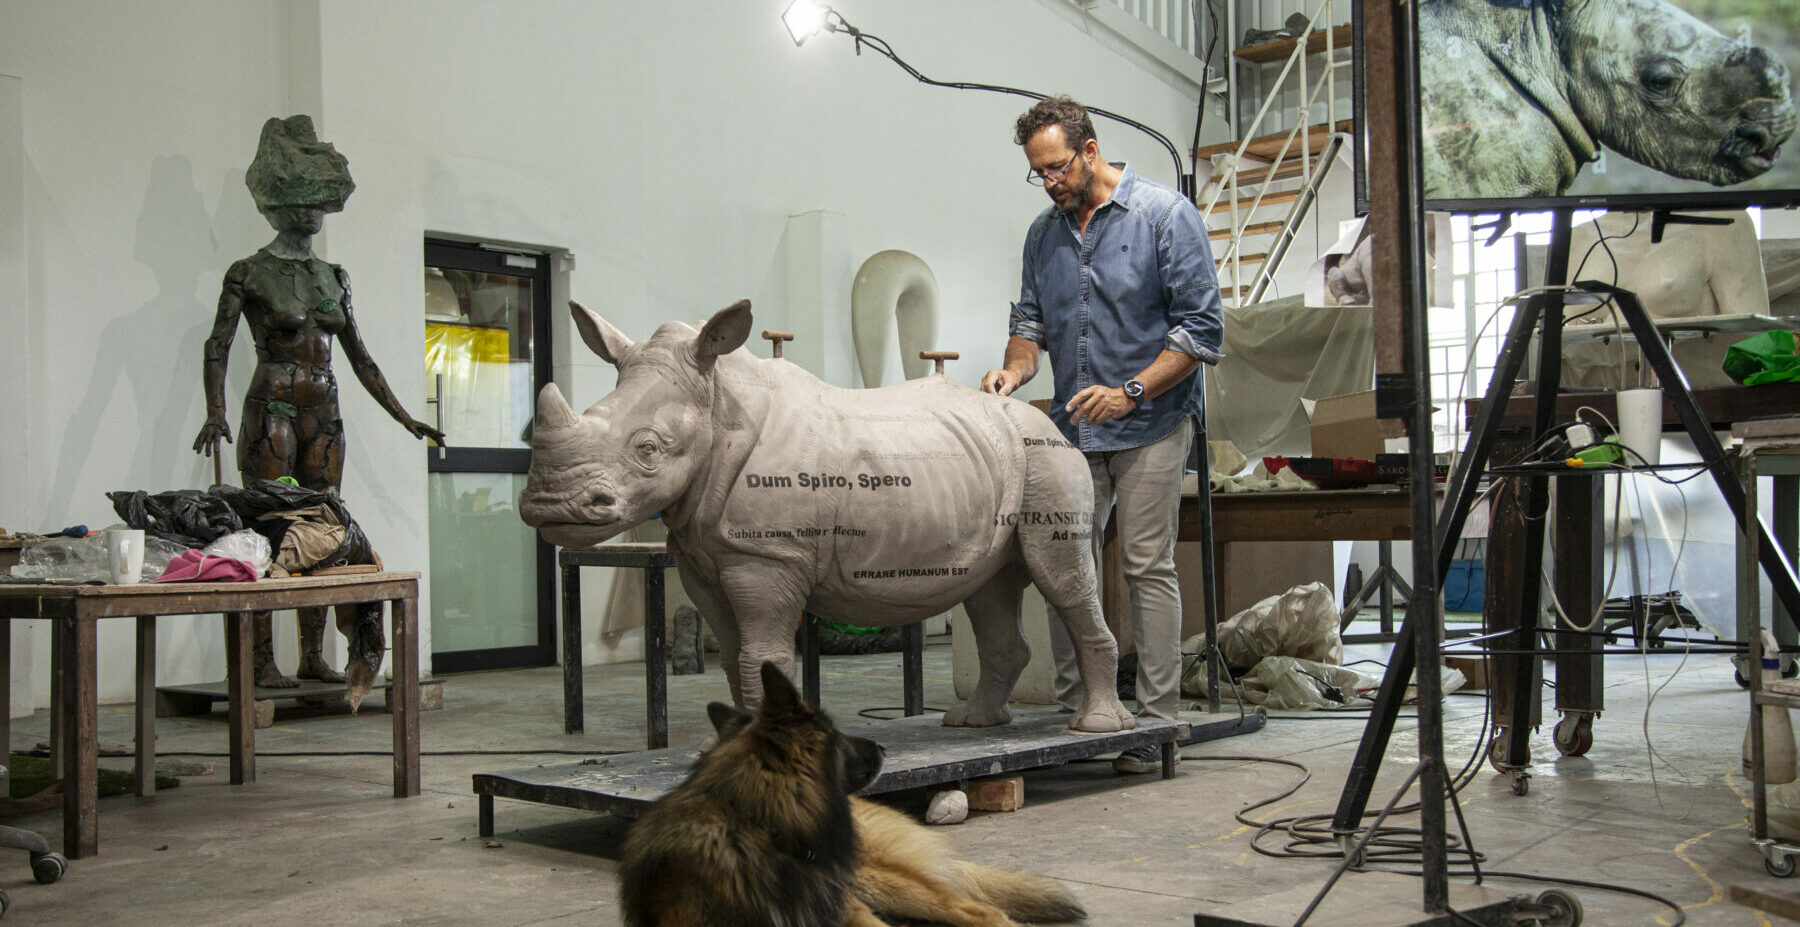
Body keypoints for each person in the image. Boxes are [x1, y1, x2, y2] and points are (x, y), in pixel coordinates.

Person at [982, 97, 1223, 774]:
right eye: (1039, 172)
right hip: (1072, 433)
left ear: (1090, 151)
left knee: (1147, 565)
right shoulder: (1043, 235)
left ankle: (1155, 720)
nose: (1051, 182)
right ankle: (1082, 709)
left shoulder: (1166, 217)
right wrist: (1013, 369)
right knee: (1066, 568)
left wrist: (1131, 391)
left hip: (1151, 422)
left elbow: (1202, 332)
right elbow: (1029, 325)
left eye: (1057, 167)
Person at [193, 115, 443, 688]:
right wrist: (216, 410)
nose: (307, 215)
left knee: (324, 529)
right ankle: (258, 661)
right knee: (263, 531)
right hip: (272, 411)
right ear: (275, 207)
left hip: (324, 416)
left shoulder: (334, 276)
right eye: (296, 205)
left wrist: (408, 418)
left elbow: (360, 357)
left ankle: (311, 655)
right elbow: (218, 345)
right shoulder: (250, 272)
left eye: (314, 206)